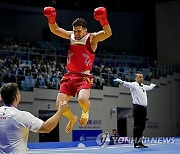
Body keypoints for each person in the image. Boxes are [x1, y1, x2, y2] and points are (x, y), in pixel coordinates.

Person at [43, 6, 112, 133]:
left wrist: (103, 20)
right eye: (75, 31)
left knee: (82, 100)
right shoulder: (71, 36)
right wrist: (51, 18)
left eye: (79, 31)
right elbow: (55, 29)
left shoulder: (92, 38)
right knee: (59, 105)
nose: (76, 34)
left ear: (85, 30)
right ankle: (72, 118)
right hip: (69, 76)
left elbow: (108, 33)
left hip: (83, 76)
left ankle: (85, 112)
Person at [0, 83, 68, 154]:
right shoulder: (21, 116)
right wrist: (60, 111)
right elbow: (46, 127)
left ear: (1, 97)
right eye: (19, 93)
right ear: (17, 97)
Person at [114, 71, 156, 148]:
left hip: (144, 108)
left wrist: (152, 85)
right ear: (135, 78)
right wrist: (120, 81)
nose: (141, 78)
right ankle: (136, 143)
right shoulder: (133, 85)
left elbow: (149, 88)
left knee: (142, 126)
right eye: (139, 77)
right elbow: (126, 84)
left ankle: (140, 142)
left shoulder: (143, 86)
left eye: (142, 77)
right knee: (137, 126)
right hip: (137, 108)